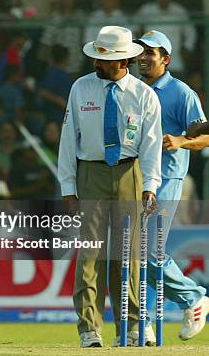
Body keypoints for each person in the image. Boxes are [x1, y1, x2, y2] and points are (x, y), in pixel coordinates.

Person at [57, 26, 162, 347]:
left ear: (123, 62)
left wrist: (151, 185)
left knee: (126, 255)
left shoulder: (143, 94)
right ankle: (89, 328)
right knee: (90, 254)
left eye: (104, 60)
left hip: (130, 173)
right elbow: (67, 138)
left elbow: (151, 144)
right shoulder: (81, 88)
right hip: (90, 172)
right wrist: (68, 185)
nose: (96, 64)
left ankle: (131, 326)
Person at [136, 30, 209, 340]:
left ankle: (193, 298)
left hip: (166, 177)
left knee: (150, 250)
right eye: (140, 51)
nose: (143, 57)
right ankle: (146, 321)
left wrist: (180, 140)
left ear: (165, 59)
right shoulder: (132, 88)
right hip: (134, 178)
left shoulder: (181, 93)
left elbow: (205, 136)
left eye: (150, 53)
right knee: (137, 254)